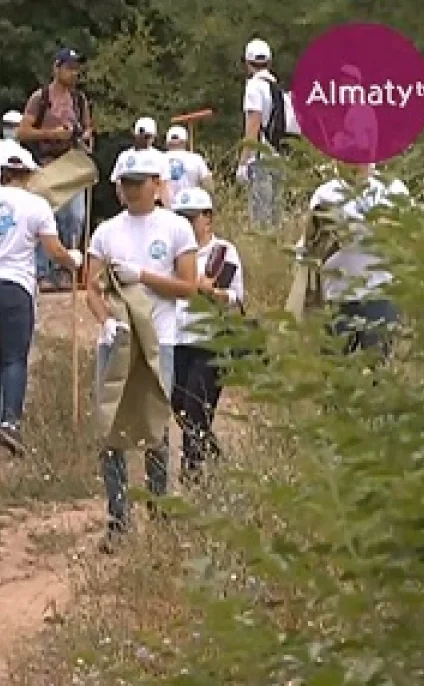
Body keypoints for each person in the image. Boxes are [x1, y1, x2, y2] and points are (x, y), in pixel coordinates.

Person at [84, 147, 198, 548]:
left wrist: (143, 276)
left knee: (154, 424)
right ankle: (117, 519)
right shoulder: (106, 232)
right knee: (111, 422)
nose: (132, 191)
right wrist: (106, 319)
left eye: (139, 183)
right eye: (126, 184)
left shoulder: (175, 229)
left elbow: (188, 285)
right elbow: (92, 287)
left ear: (157, 185)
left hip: (160, 336)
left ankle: (159, 509)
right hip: (118, 338)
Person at [0, 146, 82, 454]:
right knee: (14, 357)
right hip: (13, 285)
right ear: (26, 175)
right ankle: (10, 422)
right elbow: (53, 250)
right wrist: (72, 260)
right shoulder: (35, 204)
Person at [171, 187, 244, 480]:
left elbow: (236, 297)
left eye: (193, 217)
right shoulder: (172, 253)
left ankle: (192, 474)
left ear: (208, 218)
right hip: (176, 339)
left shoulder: (223, 252)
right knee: (178, 406)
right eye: (182, 217)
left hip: (210, 341)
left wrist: (212, 292)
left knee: (196, 408)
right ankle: (213, 455)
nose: (188, 223)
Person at [308, 163, 409, 361]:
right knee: (336, 370)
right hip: (337, 295)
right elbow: (311, 248)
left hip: (379, 292)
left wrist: (379, 227)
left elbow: (407, 238)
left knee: (377, 370)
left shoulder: (393, 188)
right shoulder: (324, 193)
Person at [17, 48, 95, 291]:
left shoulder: (79, 100)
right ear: (57, 68)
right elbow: (23, 132)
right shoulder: (41, 98)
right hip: (47, 163)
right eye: (69, 68)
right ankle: (42, 271)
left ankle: (65, 268)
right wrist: (52, 133)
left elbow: (88, 127)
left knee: (75, 217)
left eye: (76, 69)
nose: (74, 73)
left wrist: (86, 136)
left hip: (72, 164)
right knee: (46, 216)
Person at [237, 38, 283, 230]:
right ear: (269, 62)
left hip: (261, 158)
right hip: (279, 155)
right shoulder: (275, 87)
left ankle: (263, 253)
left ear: (248, 63)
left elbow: (253, 124)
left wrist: (243, 161)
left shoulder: (254, 87)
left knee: (261, 218)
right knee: (276, 215)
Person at [112, 117, 171, 208]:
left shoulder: (159, 157)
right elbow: (118, 184)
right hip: (131, 205)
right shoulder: (124, 156)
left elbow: (163, 186)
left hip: (153, 205)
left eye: (147, 136)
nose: (144, 139)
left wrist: (166, 208)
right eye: (142, 136)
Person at [163, 125, 213, 195]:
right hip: (190, 203)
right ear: (185, 141)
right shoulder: (196, 159)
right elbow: (208, 183)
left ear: (167, 142)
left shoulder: (158, 159)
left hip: (164, 204)